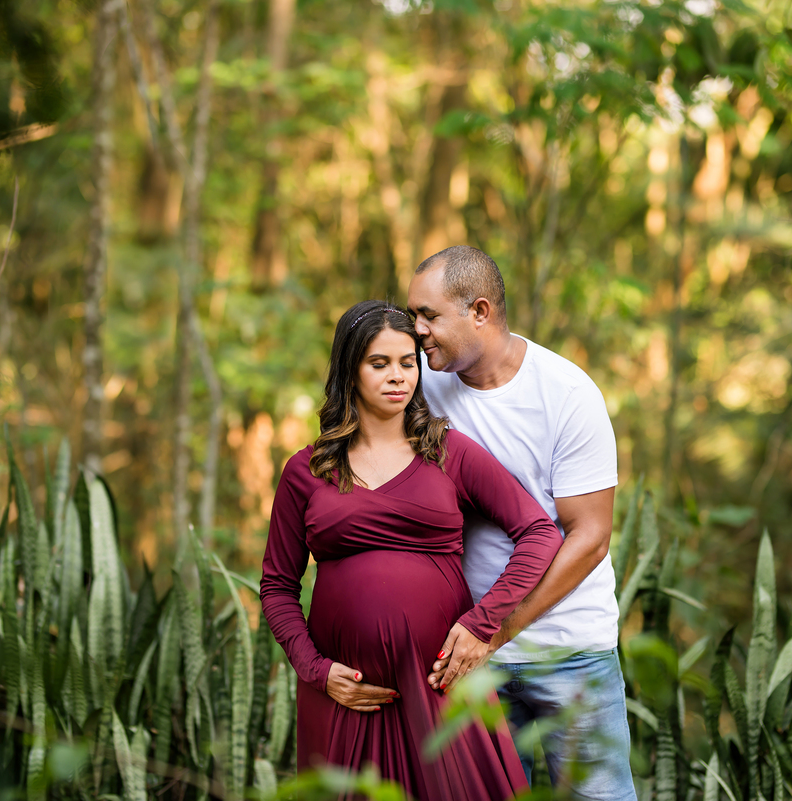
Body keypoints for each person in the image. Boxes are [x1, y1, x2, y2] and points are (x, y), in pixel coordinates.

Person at [259, 300, 564, 801]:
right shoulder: (306, 471)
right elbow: (276, 587)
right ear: (348, 370)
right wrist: (316, 670)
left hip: (439, 684)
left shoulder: (449, 452)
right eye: (379, 364)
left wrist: (481, 624)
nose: (398, 376)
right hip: (345, 695)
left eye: (407, 362)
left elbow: (539, 534)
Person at [408, 246, 635, 801]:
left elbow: (589, 538)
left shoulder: (567, 394)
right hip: (463, 655)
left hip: (568, 650)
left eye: (429, 316)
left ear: (479, 312)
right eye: (413, 316)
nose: (417, 331)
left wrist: (496, 631)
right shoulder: (418, 381)